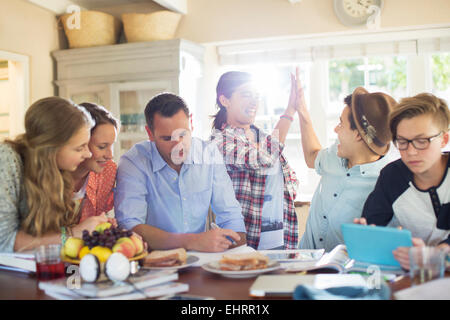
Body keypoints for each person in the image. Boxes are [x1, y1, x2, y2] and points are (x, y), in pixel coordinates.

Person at [114, 93, 247, 252]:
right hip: (154, 261)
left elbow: (231, 216)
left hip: (201, 259)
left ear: (191, 123)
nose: (178, 145)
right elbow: (130, 226)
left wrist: (235, 251)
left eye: (183, 134)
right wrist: (193, 241)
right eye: (167, 138)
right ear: (150, 134)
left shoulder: (209, 154)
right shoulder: (134, 162)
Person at [0, 97, 111, 253]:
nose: (88, 154)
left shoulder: (56, 171)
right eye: (79, 148)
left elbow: (49, 234)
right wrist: (73, 233)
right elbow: (4, 241)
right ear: (52, 148)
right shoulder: (7, 160)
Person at [354, 93, 450, 269]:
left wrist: (435, 256)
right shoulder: (391, 176)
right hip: (413, 278)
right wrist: (366, 233)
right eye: (403, 142)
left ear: (444, 139)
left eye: (422, 141)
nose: (411, 152)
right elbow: (372, 224)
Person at [298, 83, 397, 252]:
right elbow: (311, 156)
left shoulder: (385, 184)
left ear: (358, 135)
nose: (335, 129)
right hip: (305, 263)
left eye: (341, 124)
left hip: (343, 274)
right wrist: (301, 109)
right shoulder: (335, 154)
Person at [211, 69, 300, 250]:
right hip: (246, 243)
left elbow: (291, 180)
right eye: (246, 95)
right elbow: (262, 159)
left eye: (257, 96)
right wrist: (290, 111)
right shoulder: (219, 141)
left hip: (283, 240)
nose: (254, 102)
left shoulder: (263, 137)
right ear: (224, 100)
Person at [71, 102, 119, 223]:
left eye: (111, 146)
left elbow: (96, 219)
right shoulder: (50, 174)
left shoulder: (108, 170)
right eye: (102, 147)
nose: (110, 155)